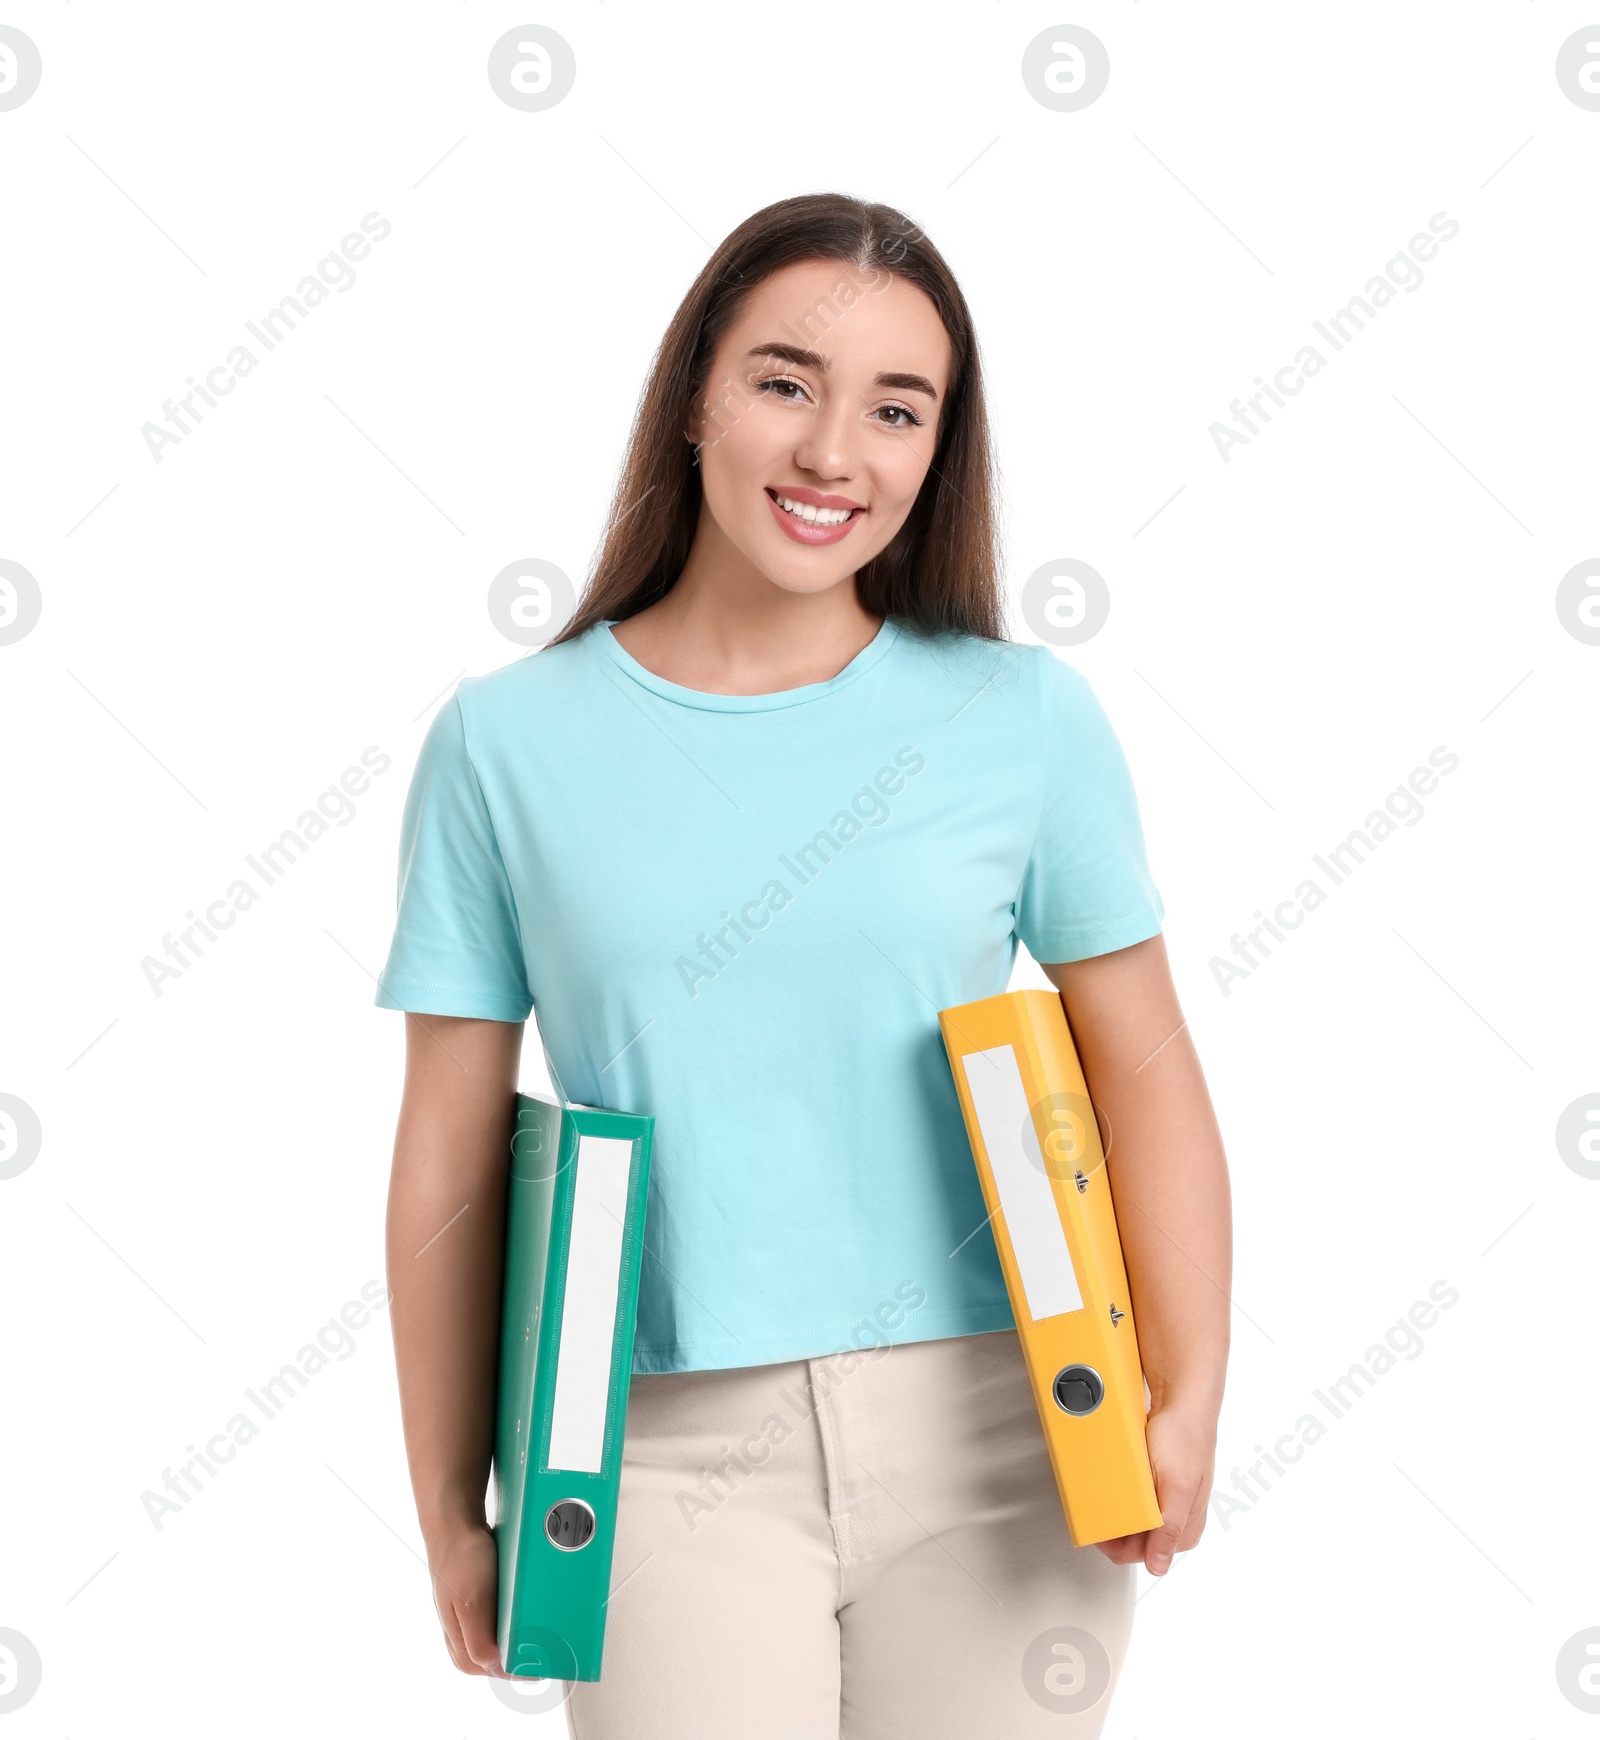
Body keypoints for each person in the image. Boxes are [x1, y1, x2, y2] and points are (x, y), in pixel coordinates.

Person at [375, 192, 1231, 1739]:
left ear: (937, 450)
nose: (835, 452)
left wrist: (1190, 1393)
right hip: (652, 1459)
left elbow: (1148, 1065)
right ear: (697, 390)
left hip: (1011, 1436)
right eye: (787, 382)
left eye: (896, 410)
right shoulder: (503, 745)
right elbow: (448, 1139)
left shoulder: (1021, 719)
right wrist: (448, 1497)